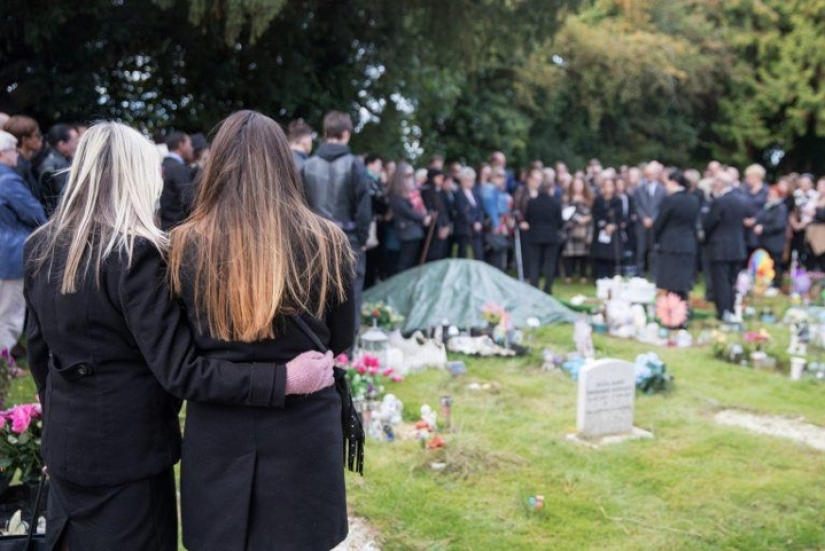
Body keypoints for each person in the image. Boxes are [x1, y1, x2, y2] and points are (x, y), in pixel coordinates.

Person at [23, 122, 332, 551]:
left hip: (67, 447)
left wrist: (59, 425)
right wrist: (282, 379)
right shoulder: (136, 254)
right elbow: (181, 370)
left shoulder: (41, 247)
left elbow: (39, 356)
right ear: (137, 174)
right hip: (130, 453)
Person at [167, 111, 355, 551]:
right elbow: (341, 338)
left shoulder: (184, 245)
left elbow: (181, 355)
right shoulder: (328, 240)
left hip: (221, 425)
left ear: (217, 166)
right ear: (286, 165)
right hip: (300, 424)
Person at [301, 111, 371, 332]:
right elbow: (363, 207)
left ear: (325, 132)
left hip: (314, 238)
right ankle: (347, 353)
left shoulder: (307, 165)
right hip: (347, 239)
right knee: (351, 295)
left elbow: (299, 206)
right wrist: (362, 237)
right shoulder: (355, 165)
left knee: (316, 293)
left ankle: (318, 346)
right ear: (346, 134)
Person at [0, 130, 46, 354]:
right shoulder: (8, 180)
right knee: (10, 311)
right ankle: (4, 365)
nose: (16, 154)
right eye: (12, 150)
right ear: (2, 153)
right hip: (10, 252)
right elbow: (34, 212)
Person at [703, 176, 747, 319]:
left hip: (720, 246)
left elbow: (710, 223)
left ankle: (723, 311)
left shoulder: (720, 201)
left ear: (721, 184)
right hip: (737, 246)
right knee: (732, 281)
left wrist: (705, 237)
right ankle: (733, 308)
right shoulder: (740, 199)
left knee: (720, 281)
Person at [653, 170, 700, 300]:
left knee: (670, 280)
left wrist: (655, 238)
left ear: (674, 182)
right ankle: (683, 308)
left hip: (670, 245)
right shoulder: (693, 200)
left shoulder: (670, 200)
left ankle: (672, 310)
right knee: (683, 281)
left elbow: (659, 223)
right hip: (688, 244)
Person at [521, 172, 564, 294]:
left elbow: (527, 218)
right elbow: (560, 221)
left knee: (534, 262)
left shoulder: (532, 202)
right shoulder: (555, 203)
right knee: (549, 263)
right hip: (551, 236)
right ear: (551, 188)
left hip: (535, 236)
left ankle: (534, 286)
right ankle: (547, 288)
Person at [387, 162, 432, 273]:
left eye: (412, 174)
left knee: (411, 262)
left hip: (414, 232)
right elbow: (407, 212)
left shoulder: (410, 192)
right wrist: (423, 217)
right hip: (406, 233)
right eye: (408, 175)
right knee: (404, 263)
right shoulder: (396, 194)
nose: (411, 178)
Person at [35, 123, 79, 215]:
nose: (77, 146)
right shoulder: (59, 167)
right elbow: (64, 198)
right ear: (62, 144)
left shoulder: (44, 158)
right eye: (75, 142)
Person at [633, 161, 666, 278]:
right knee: (640, 250)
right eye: (647, 174)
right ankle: (639, 274)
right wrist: (644, 218)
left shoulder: (663, 190)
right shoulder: (639, 189)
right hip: (641, 223)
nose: (649, 177)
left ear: (656, 175)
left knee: (654, 251)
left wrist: (652, 219)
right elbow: (637, 206)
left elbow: (661, 207)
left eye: (651, 174)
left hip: (655, 224)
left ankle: (654, 275)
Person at [754, 184, 788, 289]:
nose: (769, 196)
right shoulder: (767, 207)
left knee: (775, 265)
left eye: (772, 194)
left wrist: (763, 228)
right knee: (765, 265)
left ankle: (776, 285)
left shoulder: (781, 208)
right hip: (765, 242)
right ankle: (765, 284)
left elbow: (779, 225)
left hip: (775, 243)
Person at [159, 131, 195, 230]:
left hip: (163, 227)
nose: (192, 149)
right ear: (181, 145)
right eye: (190, 145)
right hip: (177, 229)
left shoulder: (162, 166)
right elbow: (189, 201)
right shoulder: (178, 168)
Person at [3, 115, 44, 199]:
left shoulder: (23, 162)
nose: (40, 138)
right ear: (25, 139)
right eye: (37, 135)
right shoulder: (18, 165)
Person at [591, 177, 624, 280]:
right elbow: (595, 215)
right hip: (601, 231)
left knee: (612, 255)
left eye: (610, 186)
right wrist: (604, 225)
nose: (607, 189)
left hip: (613, 233)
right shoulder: (598, 200)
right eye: (605, 186)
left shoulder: (617, 200)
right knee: (600, 255)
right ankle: (600, 276)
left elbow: (620, 217)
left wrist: (613, 226)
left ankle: (611, 276)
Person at [562, 176, 593, 283]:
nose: (578, 187)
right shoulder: (567, 199)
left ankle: (583, 276)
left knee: (583, 254)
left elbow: (592, 214)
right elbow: (565, 213)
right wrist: (579, 219)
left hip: (585, 229)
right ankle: (568, 276)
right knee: (569, 254)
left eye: (580, 185)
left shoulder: (589, 199)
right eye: (575, 185)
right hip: (571, 229)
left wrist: (587, 219)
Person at [452, 166, 485, 260]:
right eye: (467, 180)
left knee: (478, 254)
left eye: (472, 180)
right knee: (463, 254)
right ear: (461, 180)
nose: (470, 182)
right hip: (464, 229)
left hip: (476, 229)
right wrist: (473, 222)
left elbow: (480, 209)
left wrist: (479, 222)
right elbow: (462, 211)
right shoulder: (458, 194)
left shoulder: (476, 192)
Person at [419, 168, 451, 261]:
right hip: (433, 228)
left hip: (442, 227)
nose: (441, 180)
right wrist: (440, 226)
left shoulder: (440, 192)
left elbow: (444, 210)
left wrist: (446, 225)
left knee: (441, 253)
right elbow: (431, 210)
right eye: (439, 178)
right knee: (432, 254)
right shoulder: (426, 191)